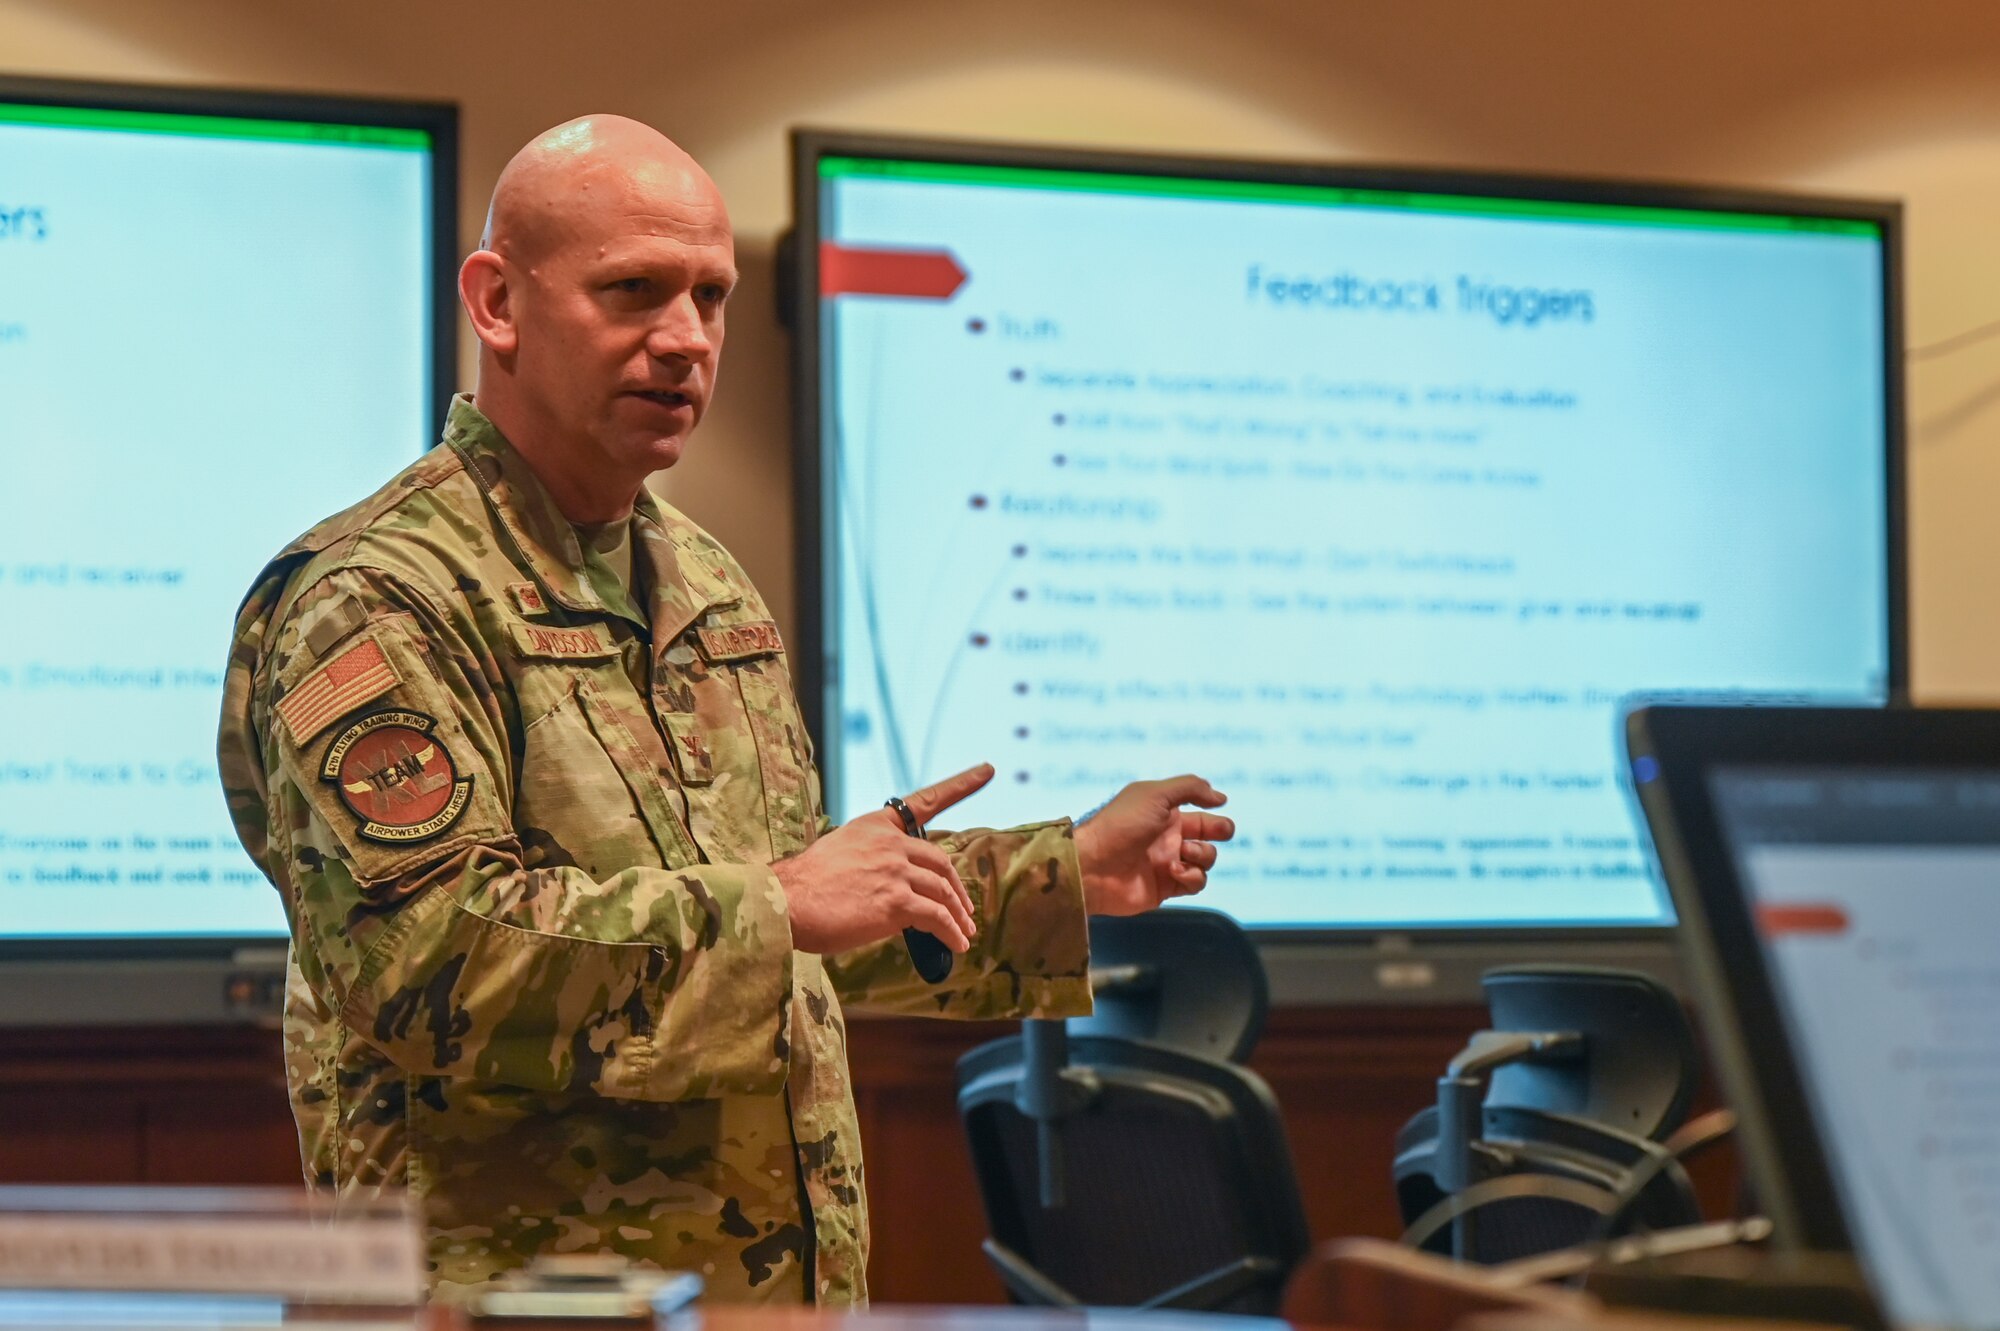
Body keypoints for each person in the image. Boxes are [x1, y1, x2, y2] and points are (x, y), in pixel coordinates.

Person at [216, 115, 1234, 1306]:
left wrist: (1061, 876)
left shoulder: (701, 580)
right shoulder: (378, 597)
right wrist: (777, 904)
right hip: (499, 1298)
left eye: (710, 296)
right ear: (495, 303)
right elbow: (424, 960)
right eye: (633, 291)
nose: (684, 339)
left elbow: (784, 948)